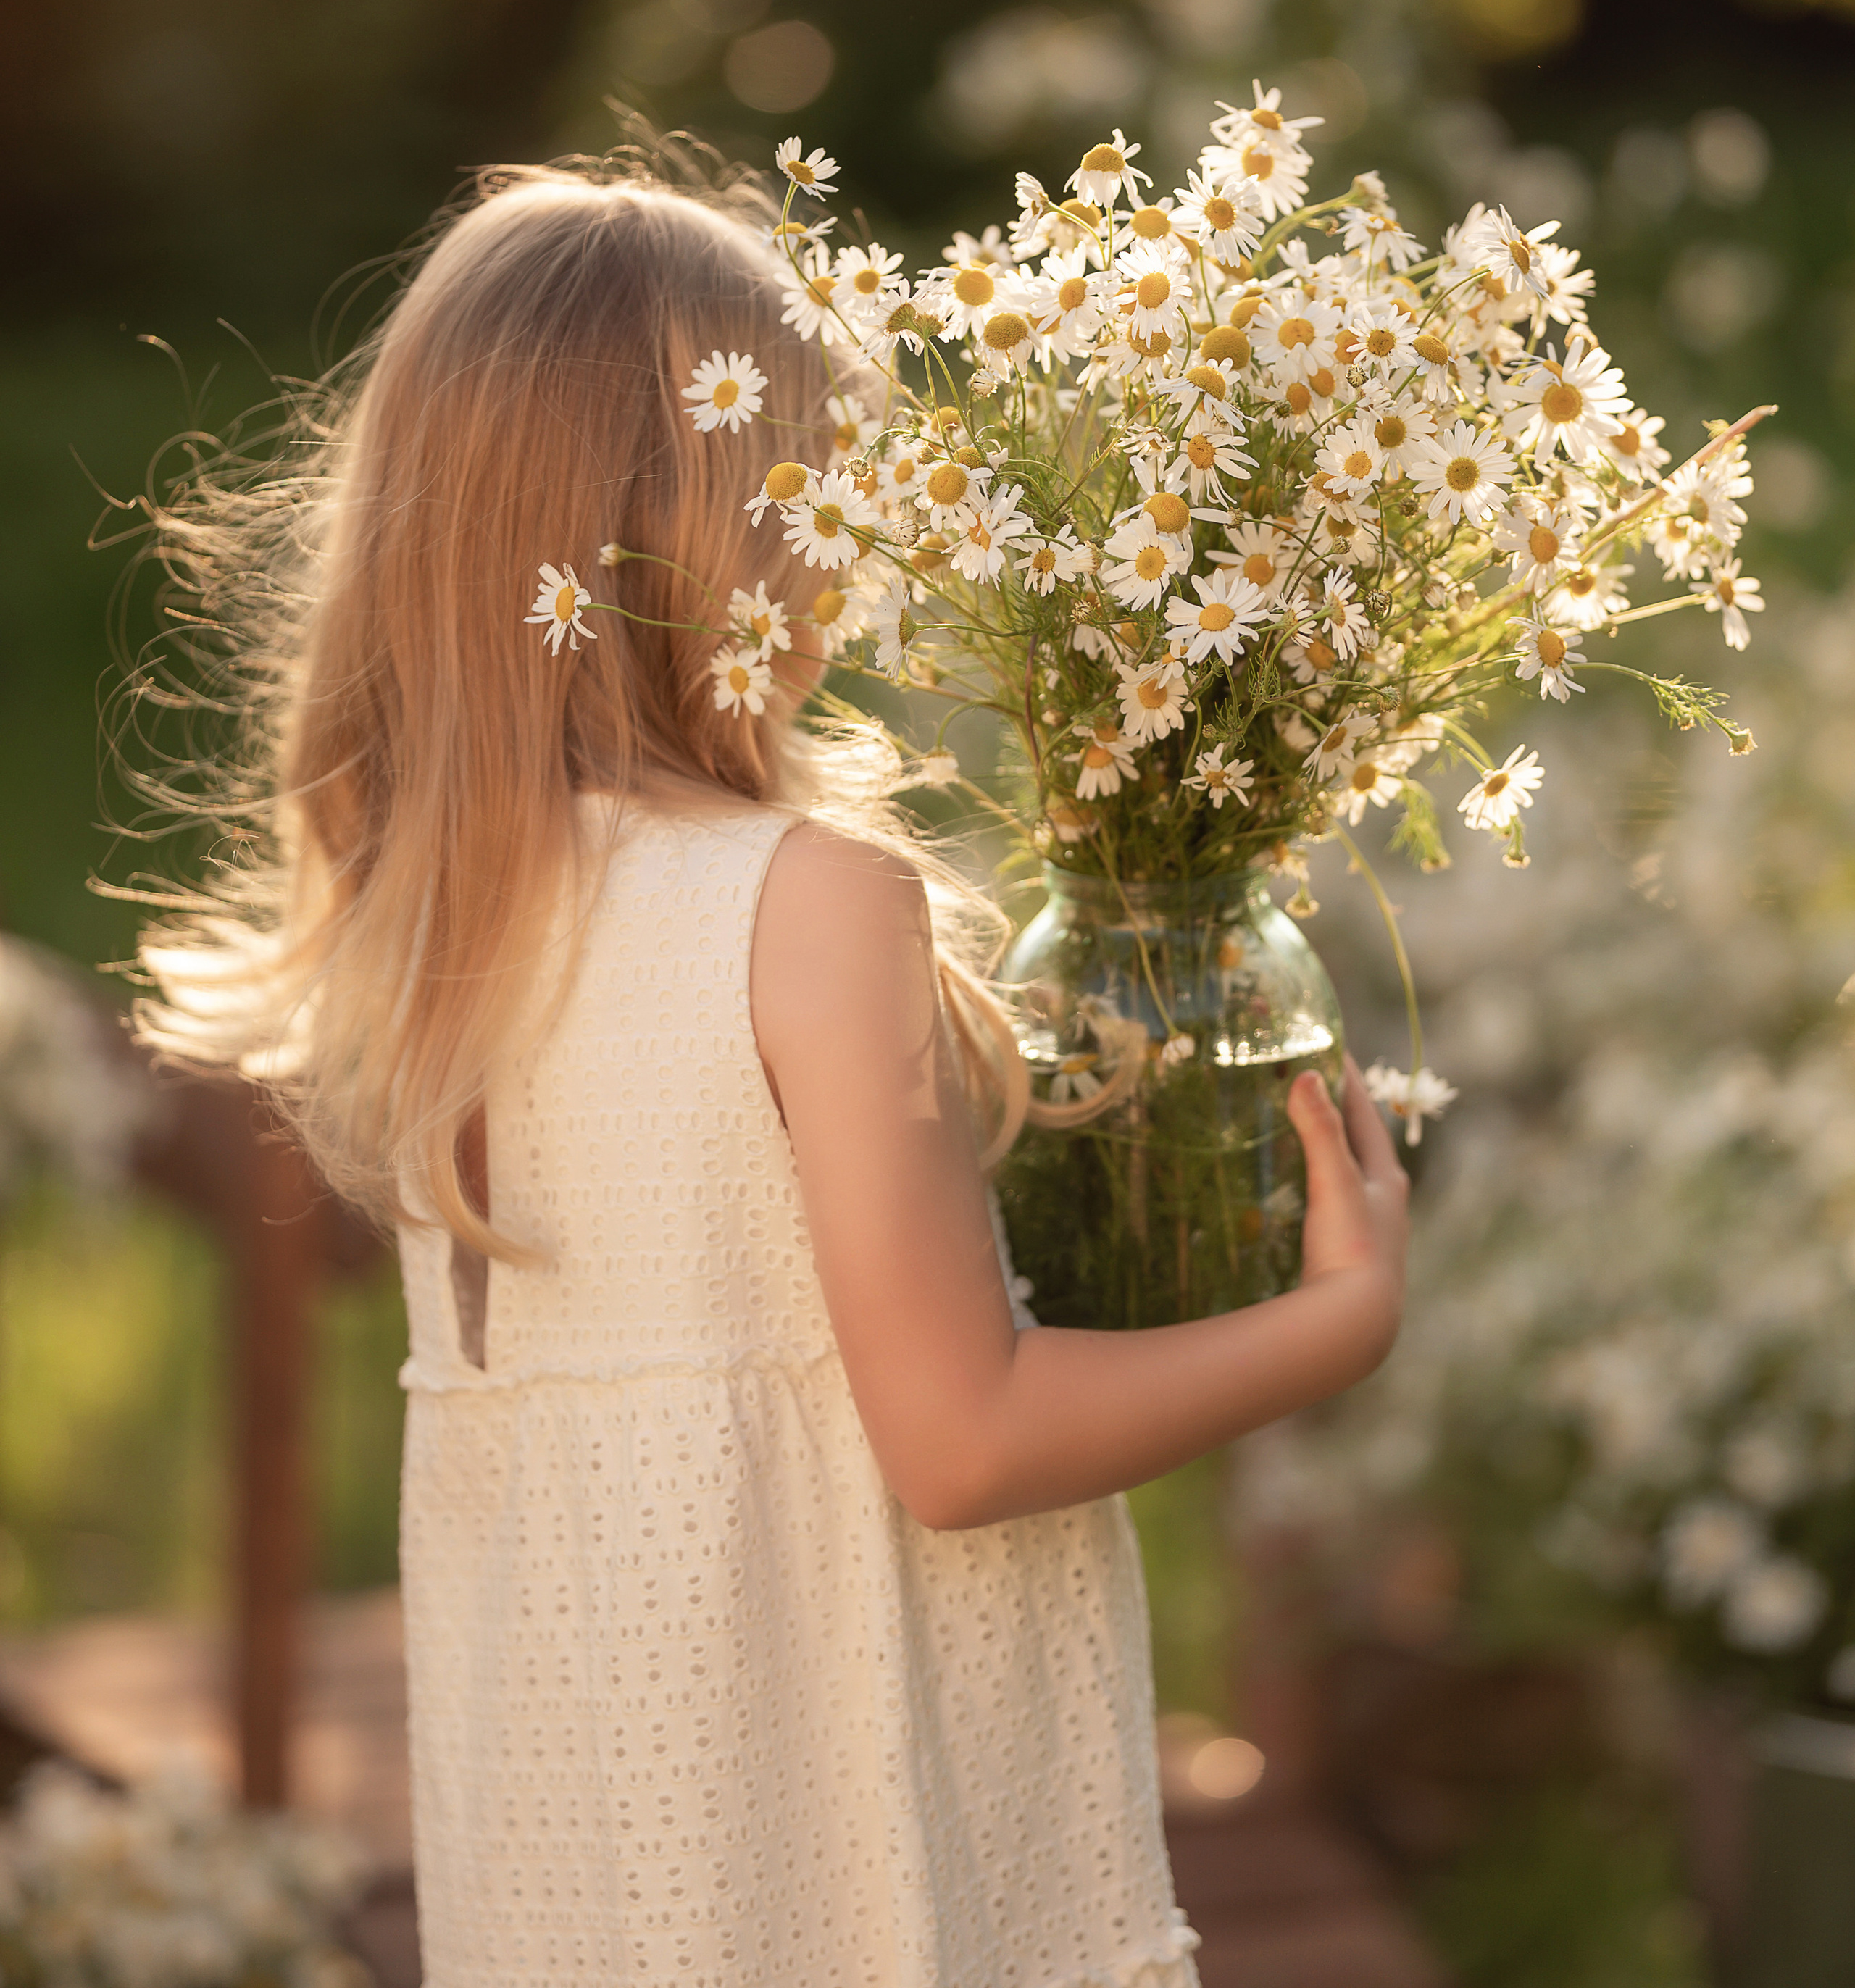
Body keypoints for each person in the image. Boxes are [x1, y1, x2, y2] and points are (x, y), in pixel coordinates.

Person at [133, 156, 1408, 1987]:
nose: (863, 533)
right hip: (836, 1874)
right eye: (828, 478)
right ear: (723, 527)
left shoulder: (424, 924)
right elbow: (961, 1439)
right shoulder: (805, 907)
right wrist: (1333, 1320)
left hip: (585, 1884)